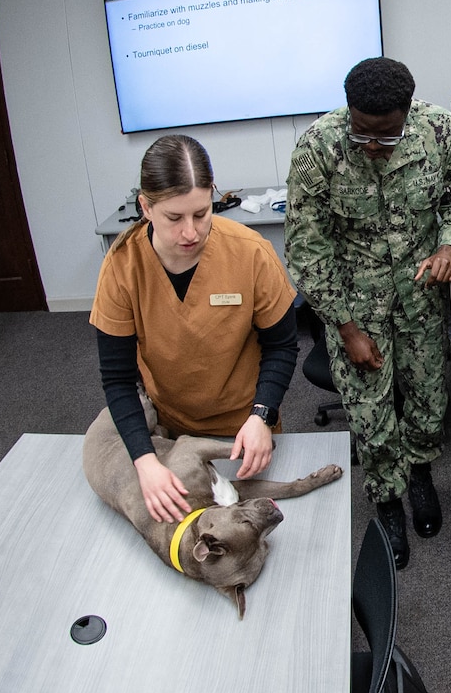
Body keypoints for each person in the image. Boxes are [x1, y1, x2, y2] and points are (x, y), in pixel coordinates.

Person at [285, 56, 451, 569]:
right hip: (354, 300)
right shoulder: (319, 147)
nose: (372, 145)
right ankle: (387, 500)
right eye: (363, 132)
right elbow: (308, 247)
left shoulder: (443, 133)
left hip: (420, 295)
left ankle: (419, 475)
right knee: (370, 413)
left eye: (386, 136)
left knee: (427, 399)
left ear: (407, 114)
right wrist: (345, 327)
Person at [89, 135, 299, 524]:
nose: (191, 232)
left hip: (246, 431)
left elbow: (282, 346)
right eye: (174, 218)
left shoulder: (250, 252)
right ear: (146, 207)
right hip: (172, 435)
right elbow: (118, 380)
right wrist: (145, 459)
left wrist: (262, 415)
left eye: (202, 214)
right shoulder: (122, 267)